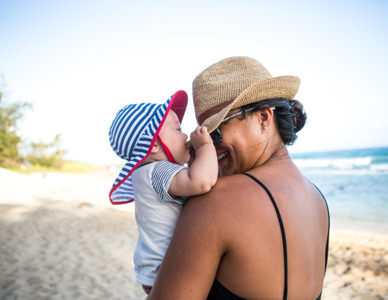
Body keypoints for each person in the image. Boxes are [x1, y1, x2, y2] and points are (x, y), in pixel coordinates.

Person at [149, 57, 330, 300]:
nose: (210, 146)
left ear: (264, 118)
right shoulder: (318, 200)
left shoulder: (217, 202)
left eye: (216, 131)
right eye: (205, 135)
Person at [108, 90, 218, 295]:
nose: (185, 135)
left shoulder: (146, 173)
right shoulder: (158, 170)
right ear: (154, 145)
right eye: (178, 129)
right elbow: (202, 182)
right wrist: (205, 147)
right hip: (166, 270)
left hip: (153, 271)